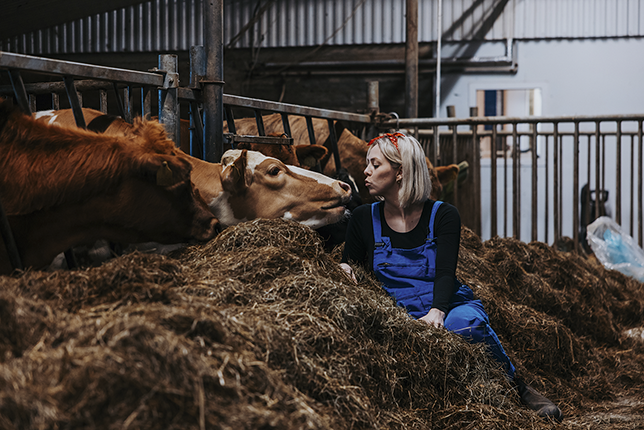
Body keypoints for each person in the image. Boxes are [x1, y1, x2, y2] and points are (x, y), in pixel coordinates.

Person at [340, 132, 563, 422]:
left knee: (466, 324)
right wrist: (344, 268)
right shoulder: (362, 217)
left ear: (401, 172)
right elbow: (351, 264)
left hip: (445, 302)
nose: (366, 171)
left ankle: (518, 388)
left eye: (375, 164)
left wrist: (437, 311)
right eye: (368, 164)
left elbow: (446, 272)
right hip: (395, 310)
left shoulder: (442, 214)